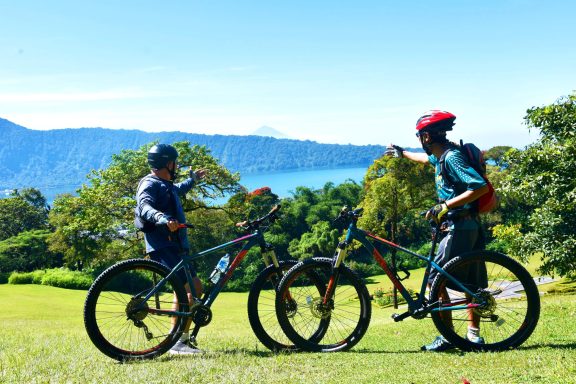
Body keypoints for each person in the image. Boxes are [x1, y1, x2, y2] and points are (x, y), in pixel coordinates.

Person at [385, 110, 489, 352]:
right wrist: (402, 154)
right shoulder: (441, 157)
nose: (419, 140)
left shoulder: (452, 159)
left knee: (436, 279)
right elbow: (423, 159)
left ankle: (448, 337)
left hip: (459, 226)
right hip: (468, 224)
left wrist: (445, 205)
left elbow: (479, 187)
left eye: (420, 136)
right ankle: (473, 337)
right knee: (471, 283)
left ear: (428, 137)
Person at [136, 143, 207, 355]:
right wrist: (162, 218)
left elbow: (178, 190)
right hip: (164, 245)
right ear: (167, 163)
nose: (176, 166)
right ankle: (177, 343)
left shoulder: (165, 184)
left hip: (175, 246)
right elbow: (144, 206)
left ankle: (180, 339)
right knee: (188, 291)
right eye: (174, 162)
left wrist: (193, 180)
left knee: (195, 288)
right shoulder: (149, 183)